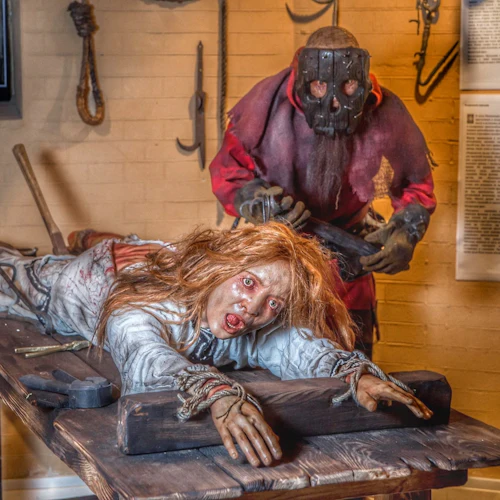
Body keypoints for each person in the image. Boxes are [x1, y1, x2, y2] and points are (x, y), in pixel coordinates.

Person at [0, 223, 432, 467]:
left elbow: (297, 347)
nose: (253, 307)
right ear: (222, 269)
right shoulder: (140, 309)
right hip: (83, 279)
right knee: (13, 275)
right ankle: (76, 245)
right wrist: (215, 390)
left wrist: (352, 372)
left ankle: (94, 236)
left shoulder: (251, 322)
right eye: (249, 283)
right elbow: (145, 360)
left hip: (150, 253)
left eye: (273, 303)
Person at [209, 26, 437, 358]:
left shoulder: (385, 110)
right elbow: (228, 173)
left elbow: (417, 184)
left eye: (348, 85)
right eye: (319, 85)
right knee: (276, 361)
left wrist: (407, 230)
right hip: (279, 261)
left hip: (349, 264)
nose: (334, 101)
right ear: (303, 78)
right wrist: (255, 202)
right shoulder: (265, 106)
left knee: (353, 361)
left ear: (362, 79)